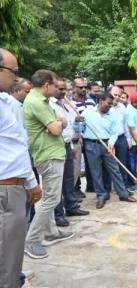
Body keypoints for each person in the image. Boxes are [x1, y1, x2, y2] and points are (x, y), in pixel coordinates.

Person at [0, 47, 42, 288]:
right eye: (12, 71)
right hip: (6, 189)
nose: (16, 77)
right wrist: (32, 183)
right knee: (8, 259)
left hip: (13, 187)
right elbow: (16, 149)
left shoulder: (7, 101)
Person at [23, 69, 73, 259]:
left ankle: (51, 232)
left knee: (50, 197)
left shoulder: (40, 101)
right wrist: (58, 123)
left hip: (50, 153)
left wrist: (58, 124)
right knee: (51, 198)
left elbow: (59, 125)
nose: (56, 88)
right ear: (46, 85)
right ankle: (32, 240)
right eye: (54, 84)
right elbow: (55, 128)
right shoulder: (37, 102)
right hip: (48, 154)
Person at [82, 92, 137, 209]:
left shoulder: (112, 115)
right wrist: (77, 122)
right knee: (96, 172)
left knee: (115, 170)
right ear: (101, 101)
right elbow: (79, 129)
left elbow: (114, 132)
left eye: (112, 104)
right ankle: (101, 195)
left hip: (107, 144)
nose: (110, 106)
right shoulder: (87, 113)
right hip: (91, 145)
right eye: (108, 103)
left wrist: (111, 144)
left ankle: (123, 194)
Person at [50, 78, 89, 227]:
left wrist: (78, 119)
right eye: (60, 89)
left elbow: (72, 124)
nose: (63, 92)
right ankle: (58, 214)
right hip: (57, 145)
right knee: (57, 182)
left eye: (65, 89)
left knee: (69, 178)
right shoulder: (50, 105)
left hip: (69, 144)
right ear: (53, 88)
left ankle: (71, 207)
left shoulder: (66, 104)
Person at [71, 77, 96, 195]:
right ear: (74, 87)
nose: (84, 89)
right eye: (81, 87)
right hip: (77, 137)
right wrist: (78, 135)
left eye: (85, 87)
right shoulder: (71, 103)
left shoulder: (91, 101)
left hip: (90, 136)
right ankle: (76, 188)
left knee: (90, 161)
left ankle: (91, 185)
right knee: (75, 164)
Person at [110, 86, 135, 193]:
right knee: (110, 164)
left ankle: (122, 187)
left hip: (121, 139)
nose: (117, 98)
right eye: (115, 95)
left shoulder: (122, 107)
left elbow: (126, 125)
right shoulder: (105, 107)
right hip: (108, 140)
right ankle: (108, 188)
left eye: (119, 96)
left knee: (122, 164)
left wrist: (128, 139)